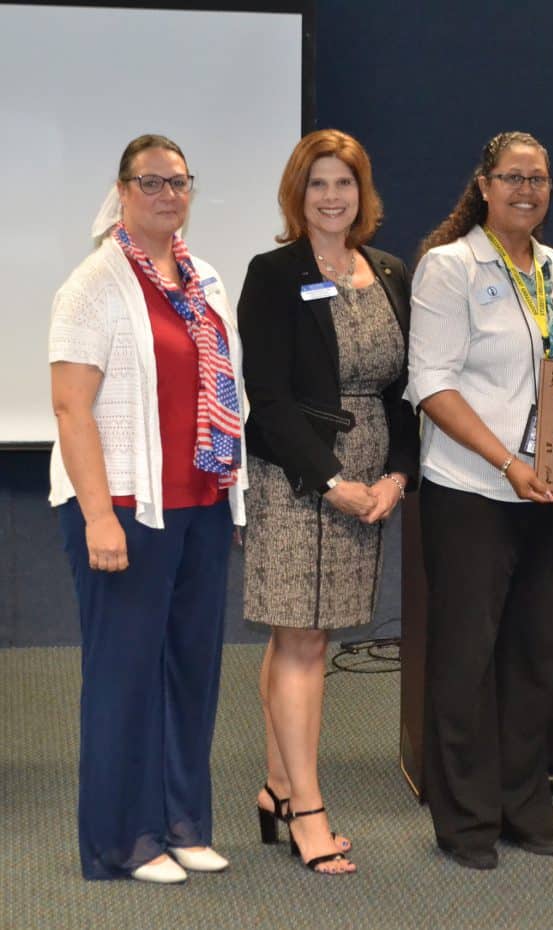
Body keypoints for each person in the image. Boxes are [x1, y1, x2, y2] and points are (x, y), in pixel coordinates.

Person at [50, 134, 246, 882]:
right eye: (152, 183)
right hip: (125, 507)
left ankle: (182, 822)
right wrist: (99, 515)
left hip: (199, 502)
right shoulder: (93, 283)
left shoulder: (206, 280)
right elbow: (71, 410)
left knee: (191, 670)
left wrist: (231, 495)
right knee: (124, 676)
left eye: (179, 182)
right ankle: (121, 840)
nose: (168, 195)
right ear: (123, 191)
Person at [406, 131, 553, 870]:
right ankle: (466, 822)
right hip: (473, 493)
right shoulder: (449, 269)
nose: (527, 189)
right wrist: (505, 462)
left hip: (549, 495)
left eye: (539, 179)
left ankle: (525, 806)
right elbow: (431, 384)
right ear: (484, 185)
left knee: (533, 659)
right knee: (464, 661)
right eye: (513, 177)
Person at [238, 129, 418, 876]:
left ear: (362, 193)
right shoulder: (274, 273)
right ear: (297, 195)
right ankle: (309, 811)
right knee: (303, 640)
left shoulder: (390, 270)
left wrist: (396, 477)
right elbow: (270, 401)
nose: (333, 197)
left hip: (371, 473)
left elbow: (406, 389)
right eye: (318, 185)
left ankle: (279, 788)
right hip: (296, 475)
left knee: (301, 640)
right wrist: (332, 481)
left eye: (345, 183)